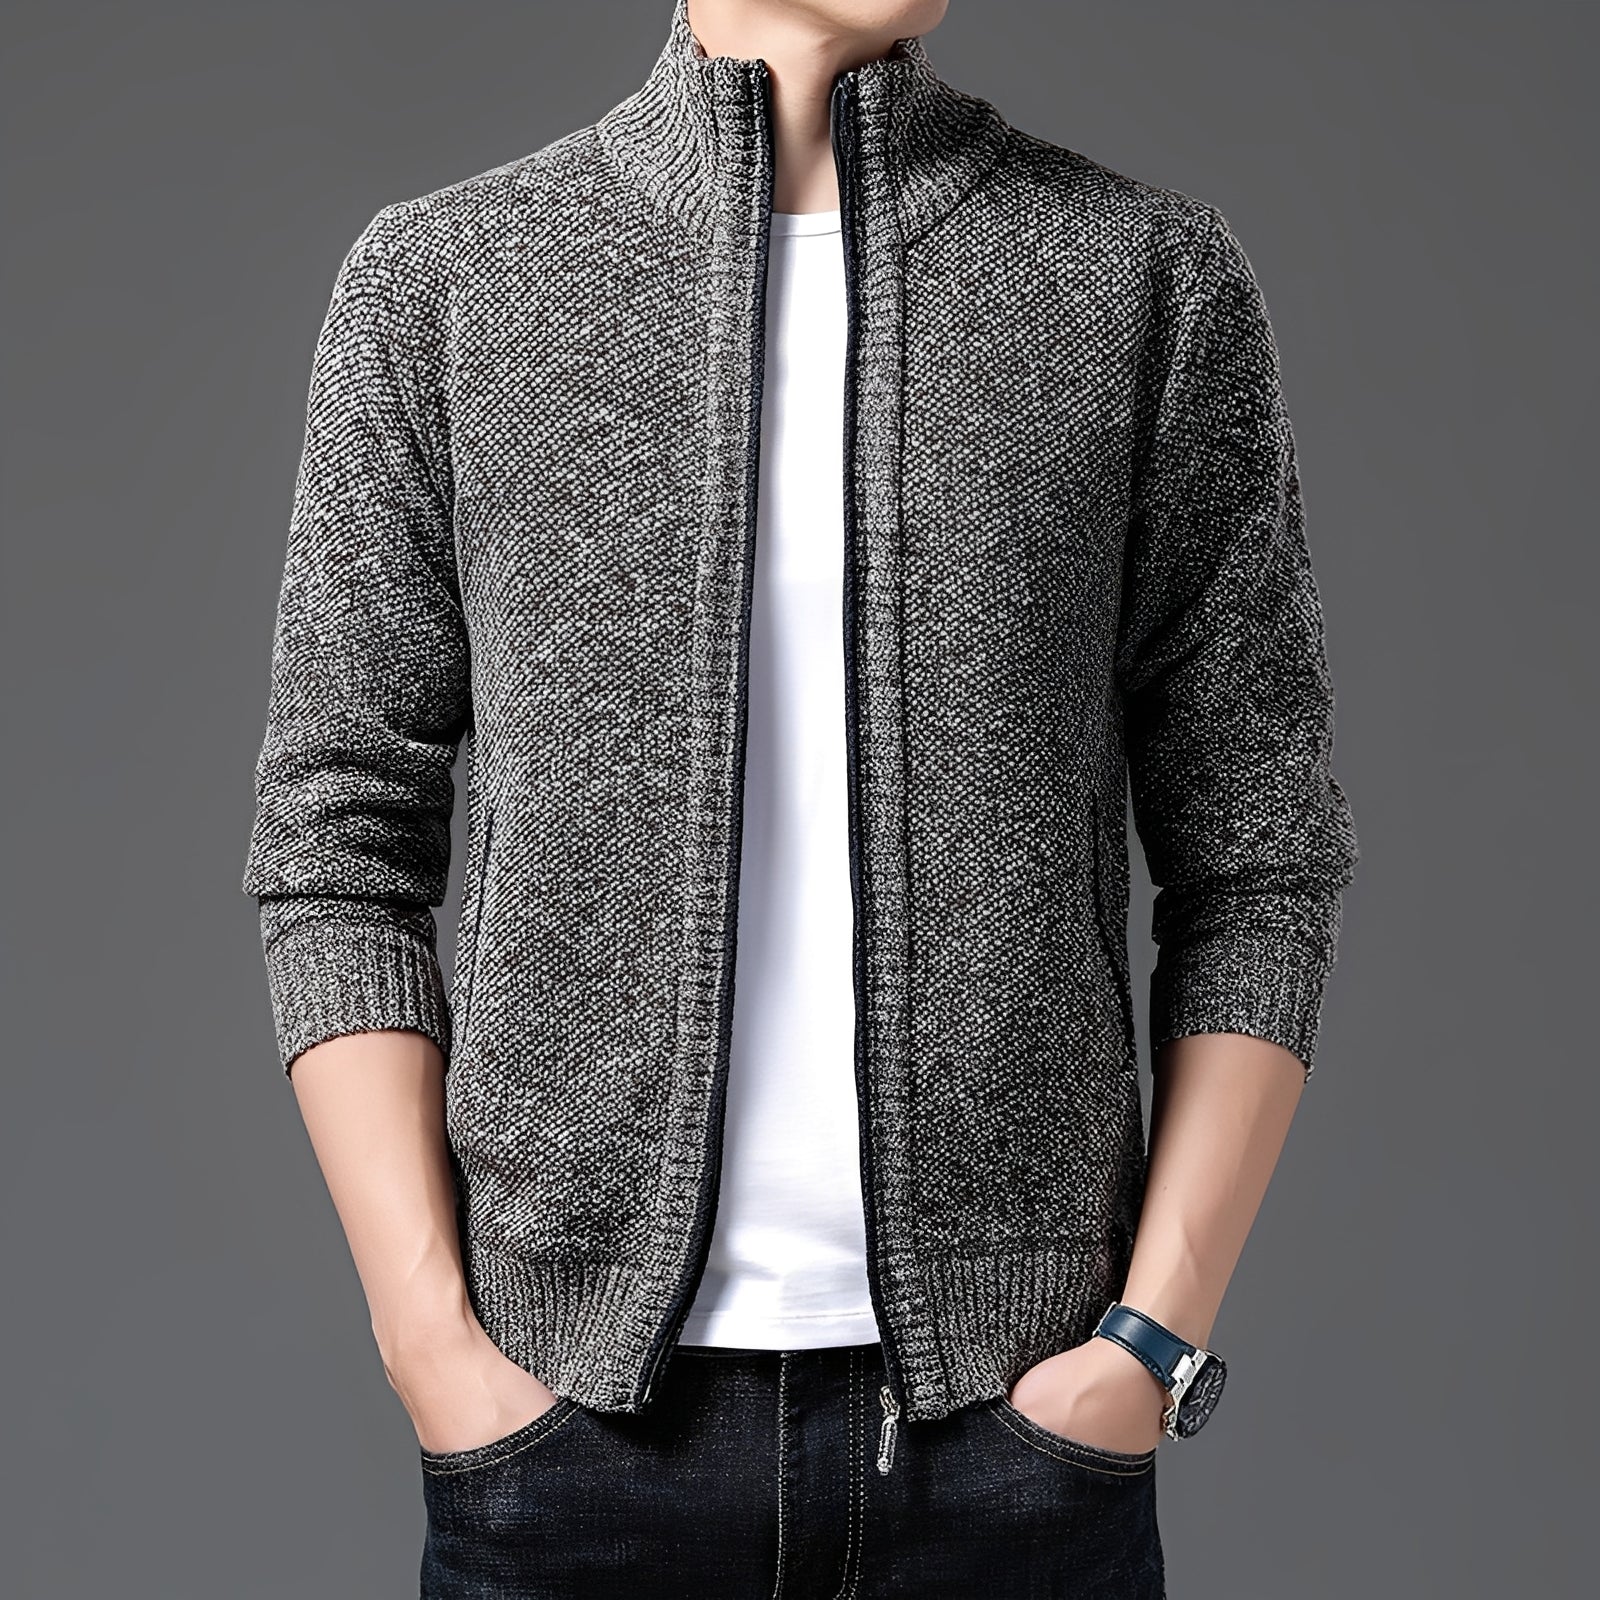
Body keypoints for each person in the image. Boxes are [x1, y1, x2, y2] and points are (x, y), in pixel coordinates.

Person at [240, 0, 1360, 1593]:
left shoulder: (1142, 279)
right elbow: (336, 842)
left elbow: (1262, 847)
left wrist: (1149, 1337)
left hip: (1015, 1447)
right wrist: (432, 1341)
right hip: (572, 1448)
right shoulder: (444, 285)